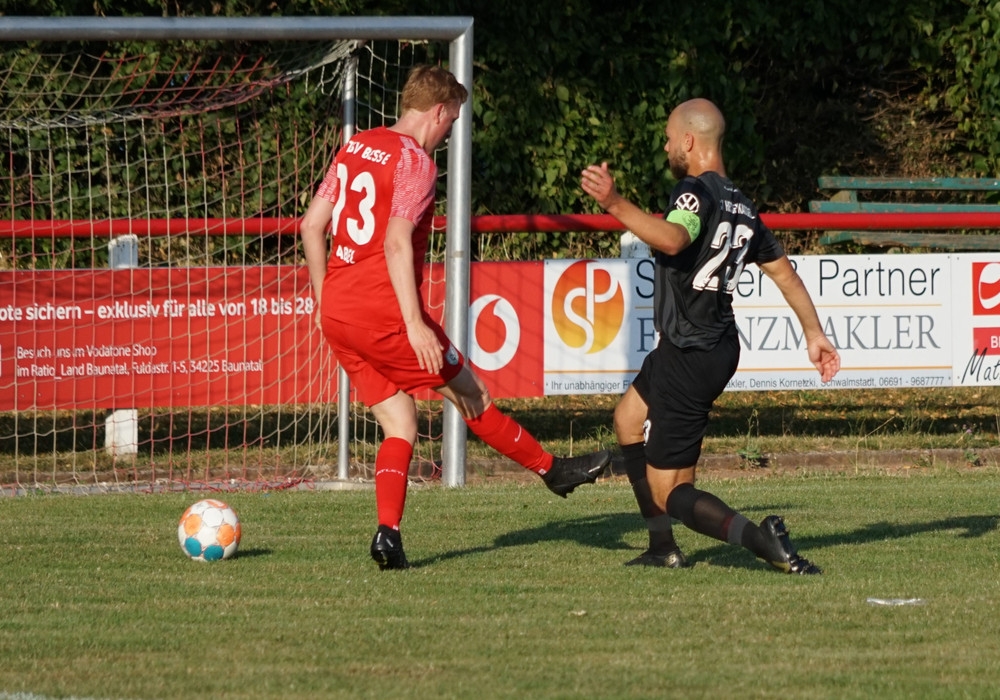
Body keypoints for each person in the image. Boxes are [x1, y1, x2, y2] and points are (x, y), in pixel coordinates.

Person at [300, 65, 610, 571]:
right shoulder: (415, 162)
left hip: (337, 312)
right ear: (439, 111)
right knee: (473, 394)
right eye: (453, 120)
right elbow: (396, 241)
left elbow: (312, 225)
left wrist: (322, 300)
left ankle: (387, 534)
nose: (449, 132)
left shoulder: (357, 145)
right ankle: (552, 471)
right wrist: (415, 324)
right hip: (384, 315)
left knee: (400, 422)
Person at [581, 98, 841, 574]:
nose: (665, 147)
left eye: (668, 139)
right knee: (627, 419)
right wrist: (814, 334)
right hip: (708, 345)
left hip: (690, 350)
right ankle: (662, 546)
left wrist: (614, 203)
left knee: (672, 492)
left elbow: (673, 238)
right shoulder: (742, 204)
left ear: (688, 141)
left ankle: (764, 541)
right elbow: (785, 275)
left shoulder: (692, 192)